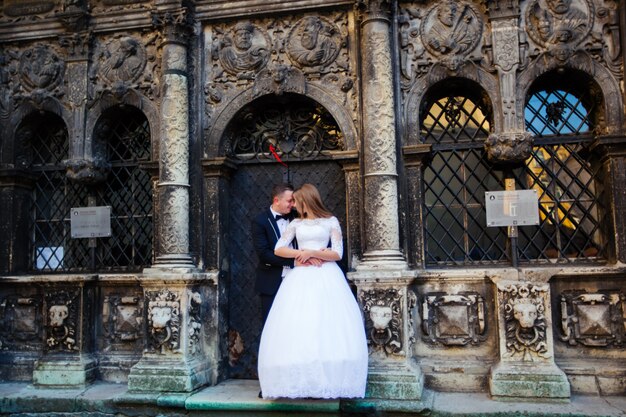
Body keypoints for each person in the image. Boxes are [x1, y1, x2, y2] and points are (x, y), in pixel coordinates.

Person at [257, 183, 368, 399]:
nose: (294, 205)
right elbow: (279, 248)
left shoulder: (331, 221)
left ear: (306, 201)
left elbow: (337, 253)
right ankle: (301, 380)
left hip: (327, 274)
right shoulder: (296, 223)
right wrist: (302, 254)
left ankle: (331, 379)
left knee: (327, 323)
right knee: (301, 323)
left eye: (296, 201)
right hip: (302, 275)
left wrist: (314, 252)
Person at [251, 183, 297, 324]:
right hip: (271, 280)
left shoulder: (298, 217)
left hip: (298, 278)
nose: (293, 205)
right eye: (290, 201)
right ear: (277, 200)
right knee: (272, 323)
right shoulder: (260, 221)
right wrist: (293, 262)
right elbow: (264, 254)